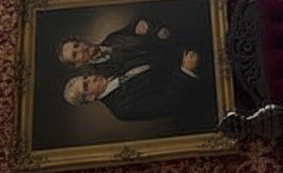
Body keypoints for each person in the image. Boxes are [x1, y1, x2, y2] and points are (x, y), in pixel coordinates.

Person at [62, 48, 203, 122]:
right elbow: (168, 103)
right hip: (196, 88)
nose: (92, 78)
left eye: (86, 77)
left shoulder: (113, 70)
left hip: (188, 58)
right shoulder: (122, 108)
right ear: (90, 98)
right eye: (86, 85)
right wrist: (186, 71)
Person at [57, 19, 180, 77]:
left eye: (76, 45)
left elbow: (134, 27)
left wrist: (145, 26)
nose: (81, 49)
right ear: (78, 65)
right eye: (75, 54)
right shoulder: (105, 74)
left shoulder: (112, 38)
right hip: (175, 70)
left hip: (175, 44)